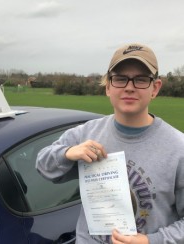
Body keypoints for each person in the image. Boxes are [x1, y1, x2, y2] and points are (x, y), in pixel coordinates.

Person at [36, 43, 184, 244]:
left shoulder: (178, 148)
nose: (129, 87)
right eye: (120, 79)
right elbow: (43, 165)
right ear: (108, 86)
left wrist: (151, 241)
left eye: (140, 80)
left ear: (155, 88)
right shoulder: (86, 133)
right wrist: (67, 153)